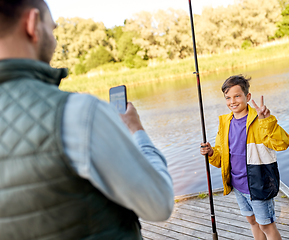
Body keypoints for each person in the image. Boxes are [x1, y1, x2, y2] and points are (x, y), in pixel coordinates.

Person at [0, 1, 173, 239]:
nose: (54, 39)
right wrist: (138, 131)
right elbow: (159, 202)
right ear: (32, 24)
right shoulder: (79, 112)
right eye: (52, 29)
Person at [200, 75, 289, 240]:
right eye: (228, 97)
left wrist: (268, 121)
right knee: (252, 221)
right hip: (238, 184)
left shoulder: (260, 119)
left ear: (247, 97)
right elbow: (222, 157)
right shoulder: (225, 122)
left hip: (259, 184)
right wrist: (212, 153)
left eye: (237, 96)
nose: (232, 101)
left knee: (266, 225)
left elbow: (282, 143)